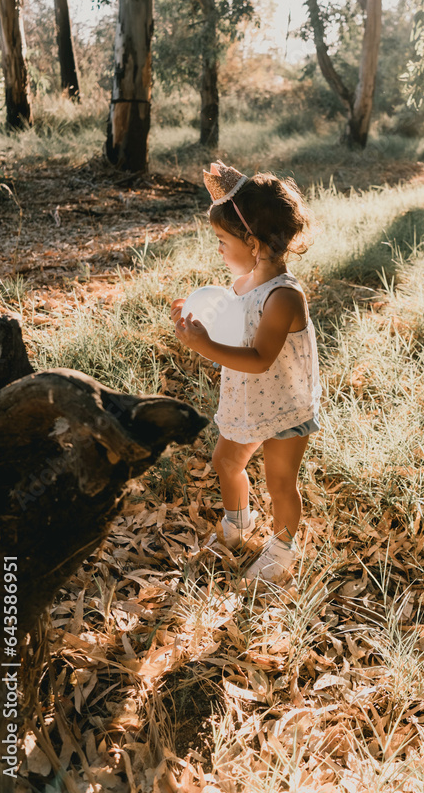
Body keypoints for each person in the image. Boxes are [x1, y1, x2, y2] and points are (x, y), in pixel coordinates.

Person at [171, 161, 320, 583]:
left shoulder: (284, 298)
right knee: (225, 461)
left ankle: (283, 550)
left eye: (222, 240)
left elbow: (259, 358)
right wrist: (196, 316)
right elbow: (229, 319)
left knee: (280, 483)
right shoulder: (244, 283)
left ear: (252, 242)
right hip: (248, 399)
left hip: (285, 406)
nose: (218, 249)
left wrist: (205, 346)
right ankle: (238, 523)